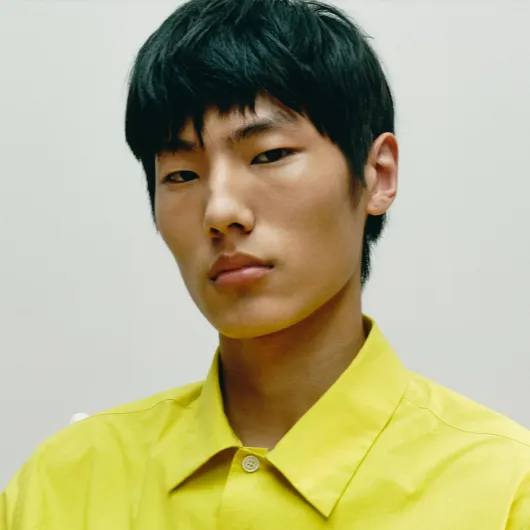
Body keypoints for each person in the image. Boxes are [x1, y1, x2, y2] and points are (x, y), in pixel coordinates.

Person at [2, 0, 529, 527]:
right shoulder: (63, 483)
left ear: (378, 174)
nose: (220, 211)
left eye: (270, 155)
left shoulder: (503, 490)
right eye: (181, 175)